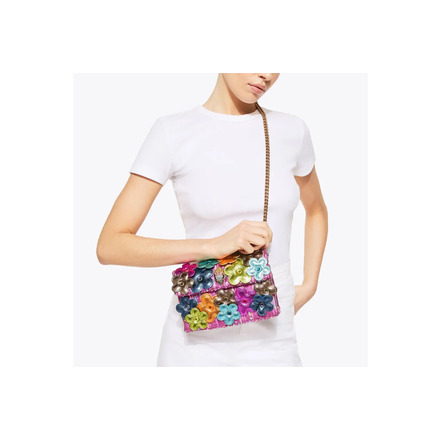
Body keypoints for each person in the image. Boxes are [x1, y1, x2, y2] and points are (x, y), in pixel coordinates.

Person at [96, 73, 328, 367]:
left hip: (275, 335)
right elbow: (110, 245)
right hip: (195, 335)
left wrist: (310, 285)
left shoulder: (291, 130)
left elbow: (316, 210)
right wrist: (214, 246)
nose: (267, 74)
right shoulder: (173, 132)